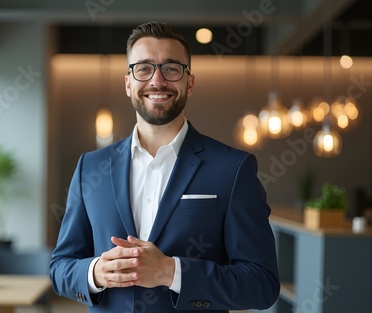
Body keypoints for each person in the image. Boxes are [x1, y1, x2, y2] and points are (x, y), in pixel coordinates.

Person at [49, 21, 280, 312]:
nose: (157, 81)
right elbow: (60, 269)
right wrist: (94, 273)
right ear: (128, 83)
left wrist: (171, 272)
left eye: (171, 68)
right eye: (143, 68)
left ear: (189, 83)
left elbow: (262, 284)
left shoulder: (233, 169)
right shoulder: (90, 167)